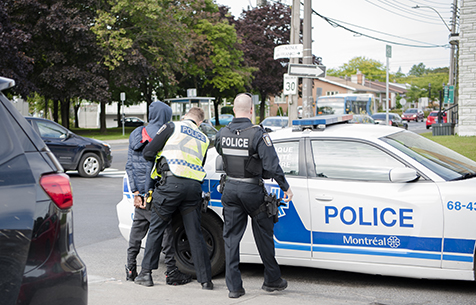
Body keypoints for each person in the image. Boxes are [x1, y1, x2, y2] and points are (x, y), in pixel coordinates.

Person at [214, 93, 293, 299]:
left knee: (231, 238)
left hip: (230, 189)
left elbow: (220, 153)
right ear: (251, 110)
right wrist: (285, 187)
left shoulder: (222, 133)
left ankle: (234, 288)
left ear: (233, 110)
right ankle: (272, 280)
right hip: (252, 191)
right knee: (264, 234)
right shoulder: (258, 134)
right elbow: (272, 165)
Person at [135, 107, 214, 290]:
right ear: (200, 122)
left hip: (170, 186)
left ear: (185, 116)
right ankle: (205, 280)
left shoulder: (172, 126)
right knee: (195, 232)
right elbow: (199, 163)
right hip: (193, 188)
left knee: (156, 228)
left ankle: (146, 274)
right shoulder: (204, 138)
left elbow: (148, 152)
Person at [124, 100, 191, 286]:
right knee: (166, 233)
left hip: (140, 195)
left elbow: (130, 166)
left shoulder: (136, 133)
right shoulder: (165, 134)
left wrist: (136, 193)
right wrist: (150, 192)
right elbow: (151, 168)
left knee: (136, 234)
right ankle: (171, 271)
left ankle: (130, 269)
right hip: (155, 194)